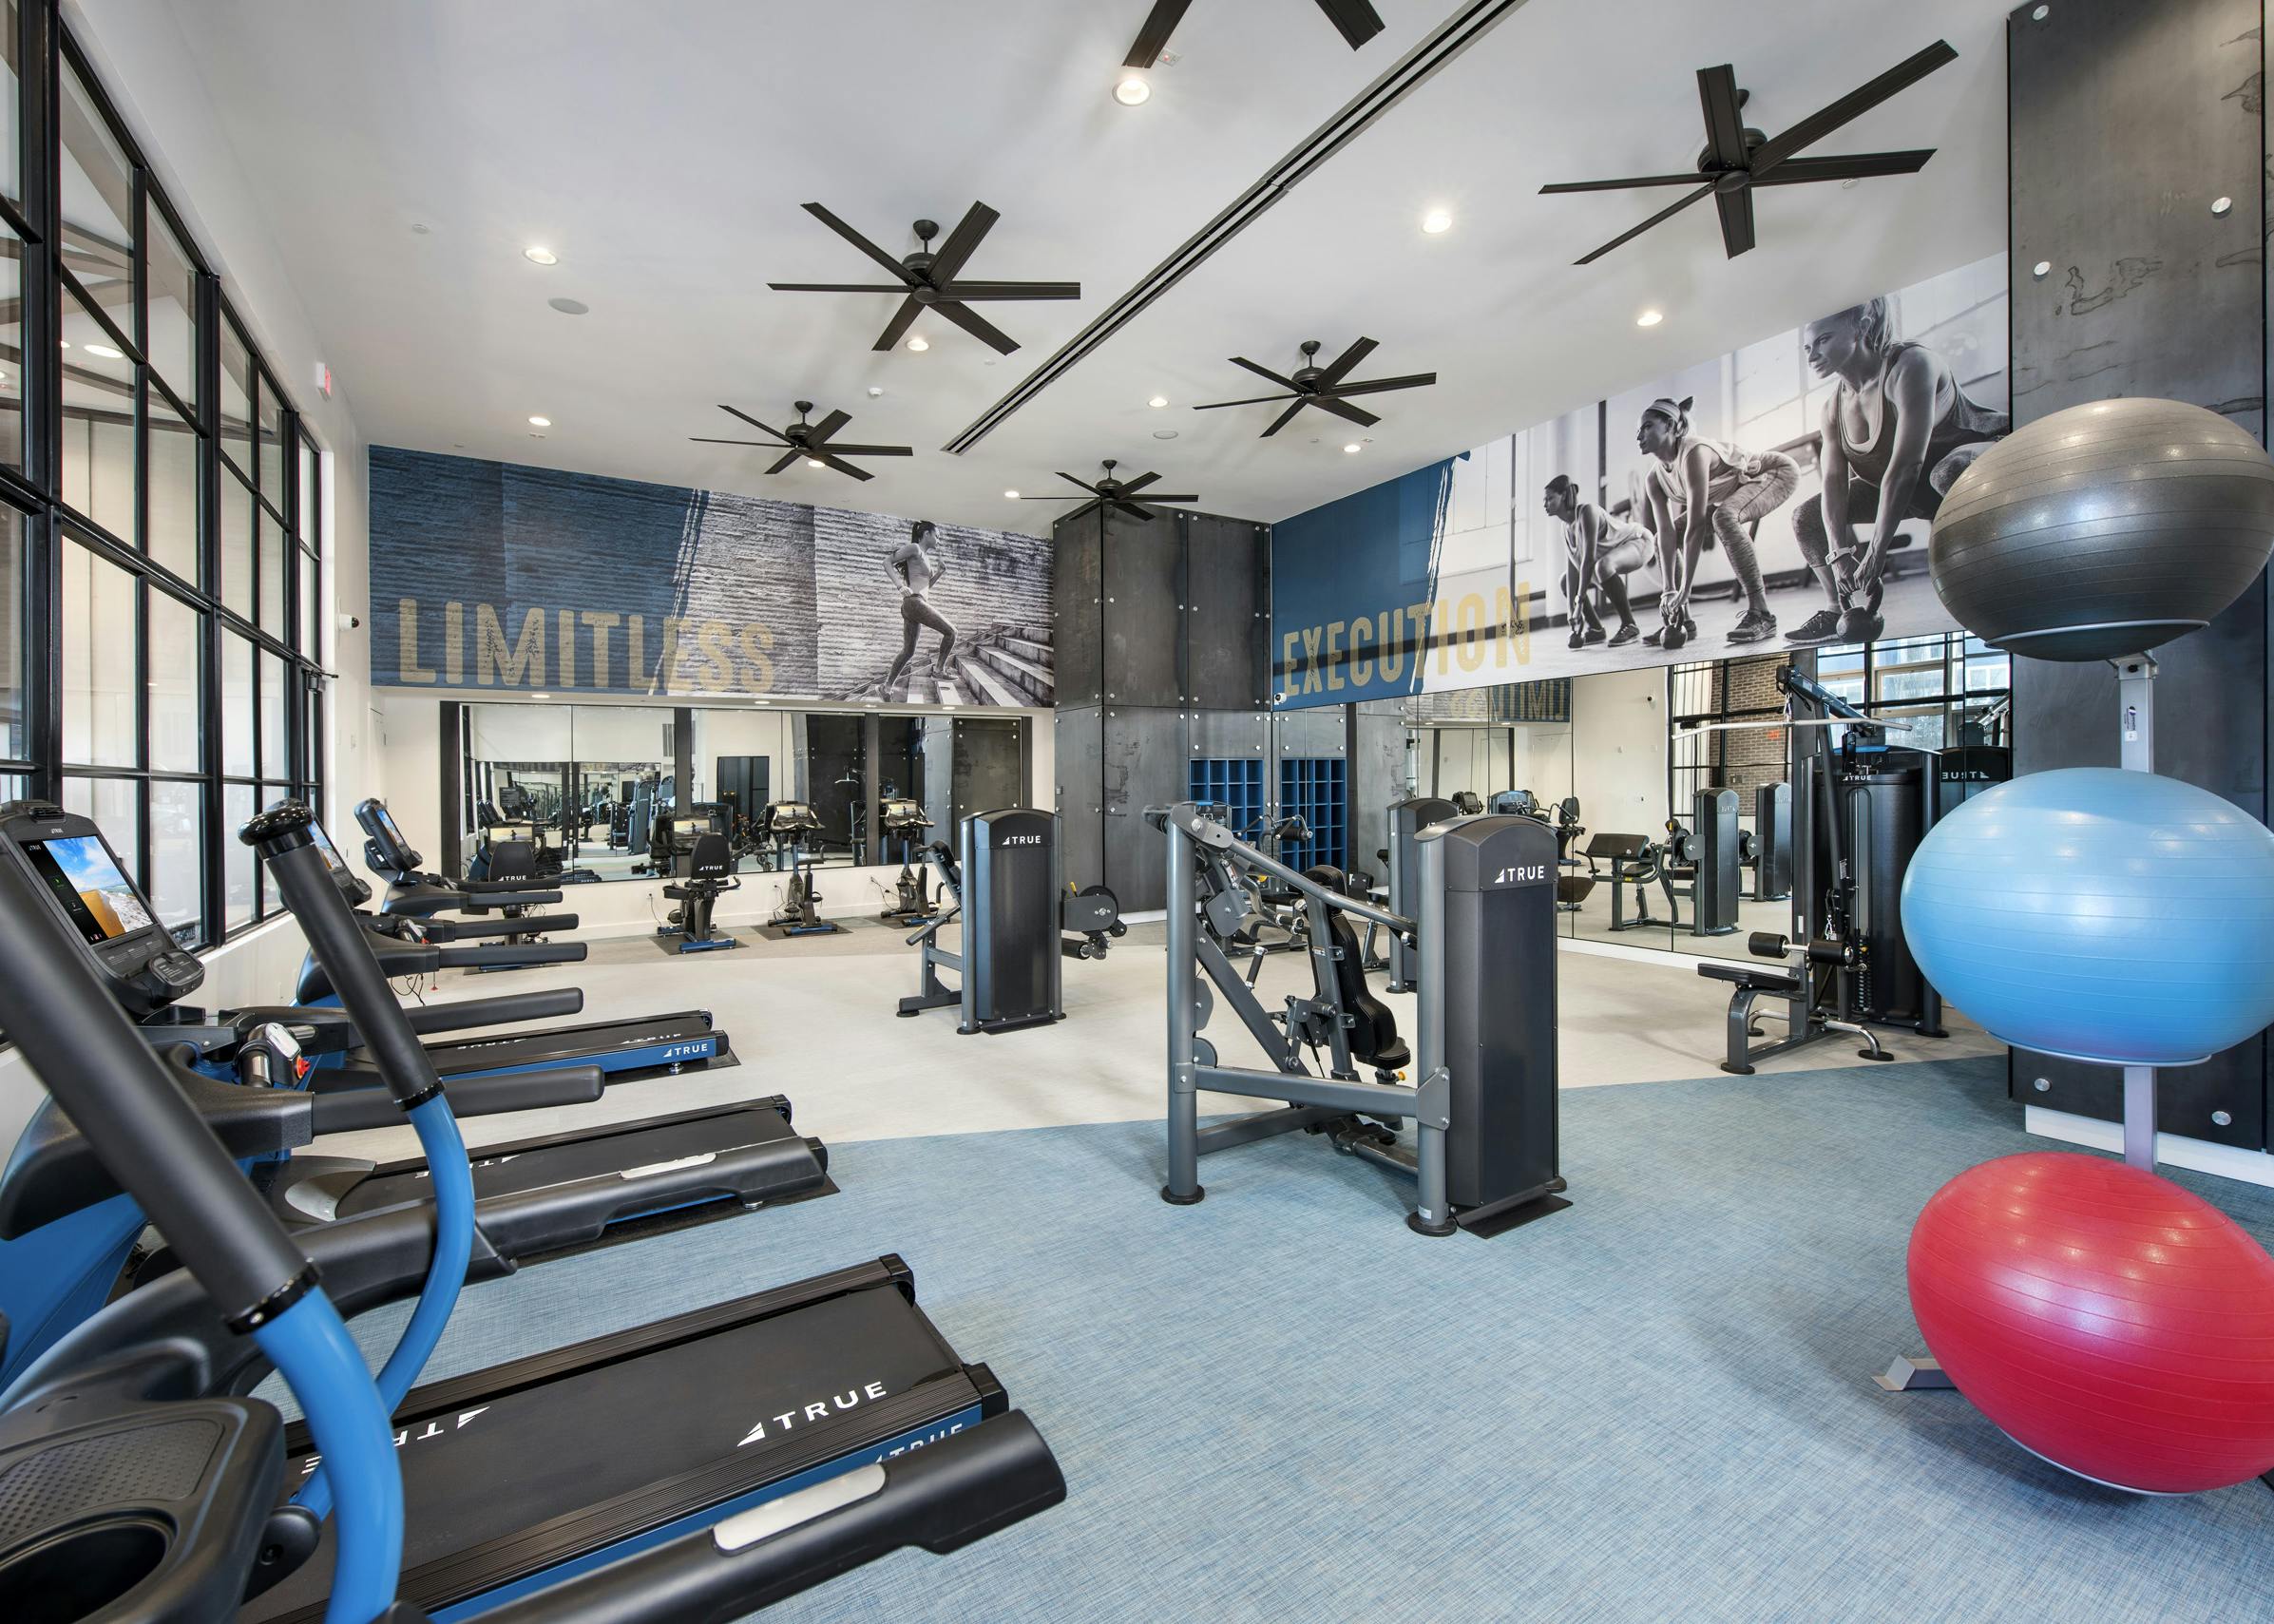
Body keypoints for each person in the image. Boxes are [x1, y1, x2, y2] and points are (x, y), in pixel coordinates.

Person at [1787, 298, 2010, 644]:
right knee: (1806, 517)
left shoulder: (1911, 365)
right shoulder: (1832, 408)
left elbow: (1907, 465)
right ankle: (1836, 610)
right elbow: (1834, 482)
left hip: (1981, 465)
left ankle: (2002, 587)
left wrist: (1877, 552)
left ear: (1861, 327)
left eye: (1824, 340)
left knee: (1946, 473)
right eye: (1807, 347)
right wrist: (1839, 555)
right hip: (1917, 489)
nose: (1812, 355)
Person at [1637, 397, 1799, 650]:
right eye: (1638, 430)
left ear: (1669, 425)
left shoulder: (1694, 452)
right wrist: (1669, 590)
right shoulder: (1654, 479)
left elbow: (1696, 526)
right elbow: (1667, 533)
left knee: (1723, 518)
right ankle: (1682, 619)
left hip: (1774, 472)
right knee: (1662, 539)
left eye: (1647, 426)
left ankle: (1762, 614)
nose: (1639, 436)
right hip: (1734, 491)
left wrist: (1685, 588)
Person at [1544, 474, 1649, 648]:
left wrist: (1579, 603)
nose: (1545, 504)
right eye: (1545, 500)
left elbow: (1588, 559)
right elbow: (1573, 568)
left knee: (1603, 566)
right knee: (1565, 580)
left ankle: (1630, 625)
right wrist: (1571, 610)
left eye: (1549, 499)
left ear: (1563, 496)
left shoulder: (1587, 512)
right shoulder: (1565, 526)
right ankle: (1596, 629)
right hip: (1612, 555)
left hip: (1638, 542)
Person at [885, 518, 957, 689]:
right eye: (937, 536)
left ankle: (886, 687)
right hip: (914, 602)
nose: (939, 540)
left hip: (915, 605)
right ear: (926, 534)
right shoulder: (915, 548)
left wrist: (939, 573)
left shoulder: (926, 558)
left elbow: (926, 586)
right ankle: (938, 671)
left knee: (908, 652)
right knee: (951, 632)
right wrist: (900, 586)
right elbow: (886, 562)